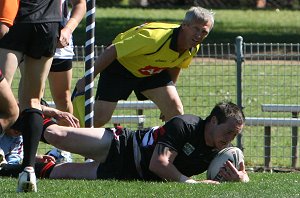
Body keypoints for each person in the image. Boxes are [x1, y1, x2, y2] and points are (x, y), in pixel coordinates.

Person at [1, 102, 248, 183]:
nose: (229, 140)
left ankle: (7, 168)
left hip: (126, 172)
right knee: (57, 135)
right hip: (121, 145)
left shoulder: (222, 149)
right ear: (213, 121)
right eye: (228, 132)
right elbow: (159, 164)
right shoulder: (185, 125)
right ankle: (14, 117)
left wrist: (240, 178)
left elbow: (241, 173)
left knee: (55, 173)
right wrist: (192, 184)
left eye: (234, 136)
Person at [76, 6, 215, 127]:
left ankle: (168, 151)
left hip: (152, 71)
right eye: (196, 29)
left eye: (204, 32)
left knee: (175, 111)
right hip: (121, 67)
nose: (199, 35)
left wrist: (166, 102)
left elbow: (175, 65)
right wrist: (87, 79)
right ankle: (65, 124)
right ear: (184, 25)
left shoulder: (193, 46)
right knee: (99, 119)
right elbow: (113, 50)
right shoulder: (153, 38)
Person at [0, 0, 63, 192]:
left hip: (17, 22)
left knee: (3, 94)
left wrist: (3, 22)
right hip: (49, 23)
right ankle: (28, 170)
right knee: (33, 101)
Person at [48, 0, 86, 113]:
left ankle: (68, 130)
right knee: (33, 97)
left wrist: (68, 30)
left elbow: (80, 3)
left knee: (63, 99)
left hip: (59, 45)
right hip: (27, 40)